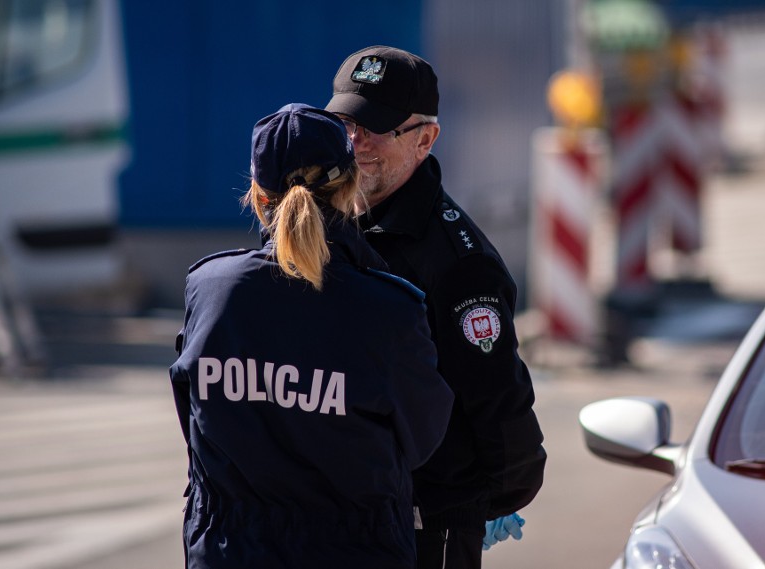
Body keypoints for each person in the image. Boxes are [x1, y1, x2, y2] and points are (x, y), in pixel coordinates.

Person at [169, 103, 454, 569]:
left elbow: (193, 419)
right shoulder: (391, 309)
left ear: (259, 196)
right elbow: (422, 440)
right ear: (350, 187)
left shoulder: (209, 289)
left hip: (226, 552)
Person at [325, 46, 547, 568]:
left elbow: (499, 409)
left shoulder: (459, 265)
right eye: (346, 125)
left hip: (423, 529)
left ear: (425, 139)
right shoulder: (326, 224)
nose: (356, 143)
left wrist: (482, 505)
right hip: (341, 515)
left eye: (375, 128)